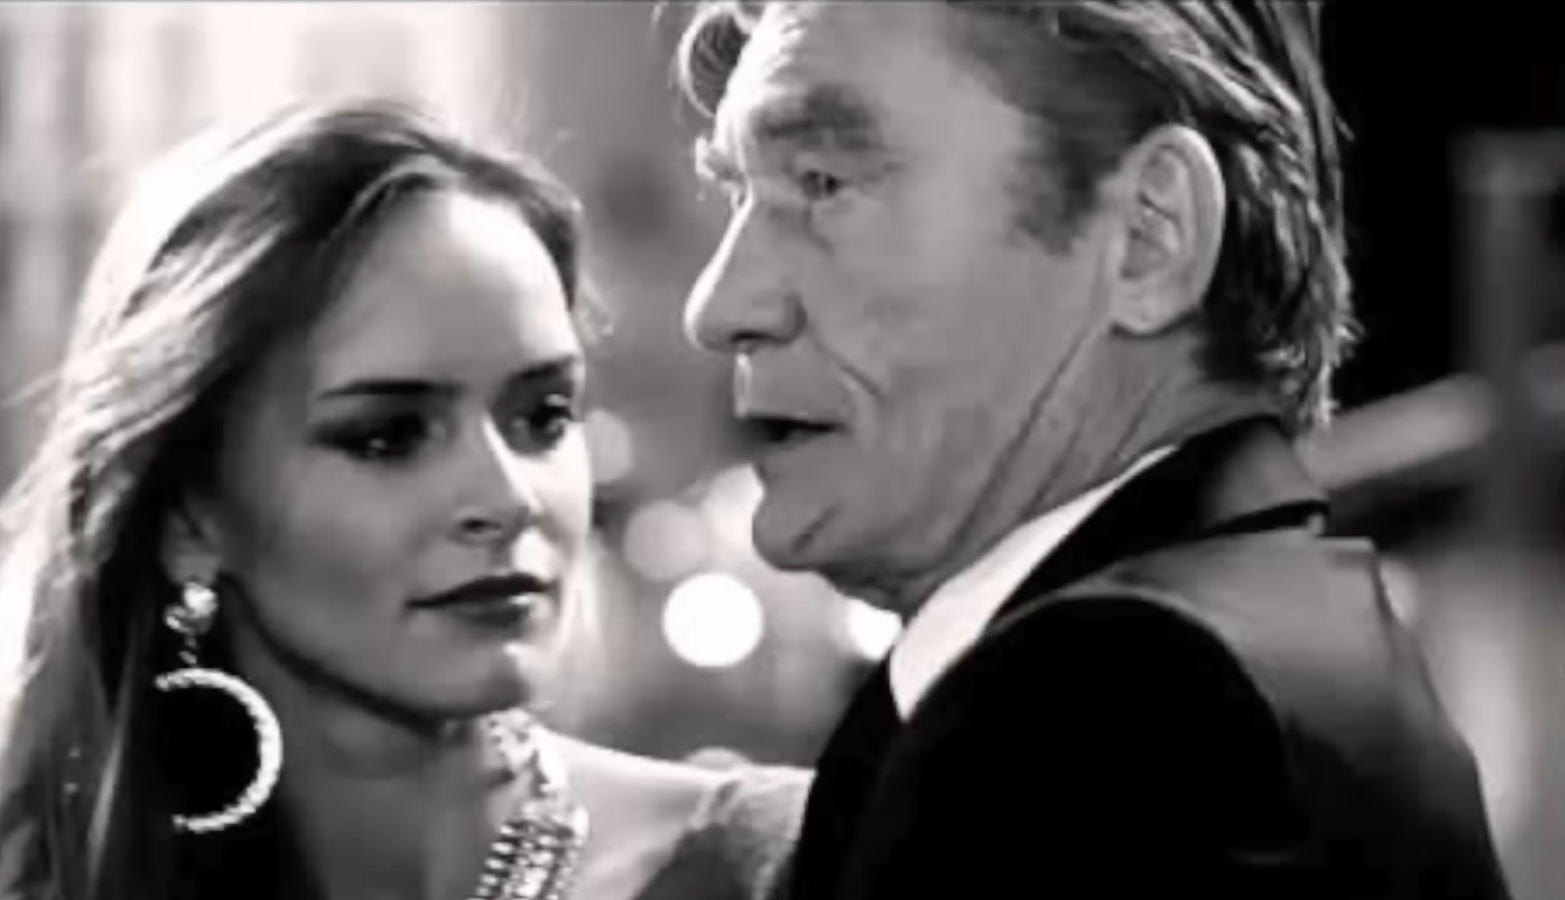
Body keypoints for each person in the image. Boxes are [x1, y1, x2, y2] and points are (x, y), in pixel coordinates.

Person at [673, 2, 1513, 898]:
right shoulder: (1232, 656)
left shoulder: (1109, 708)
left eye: (823, 182)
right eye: (734, 194)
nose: (718, 308)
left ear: (1148, 236)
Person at [0, 100, 806, 900]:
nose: (508, 497)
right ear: (190, 517)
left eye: (543, 418)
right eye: (388, 437)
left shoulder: (784, 865)